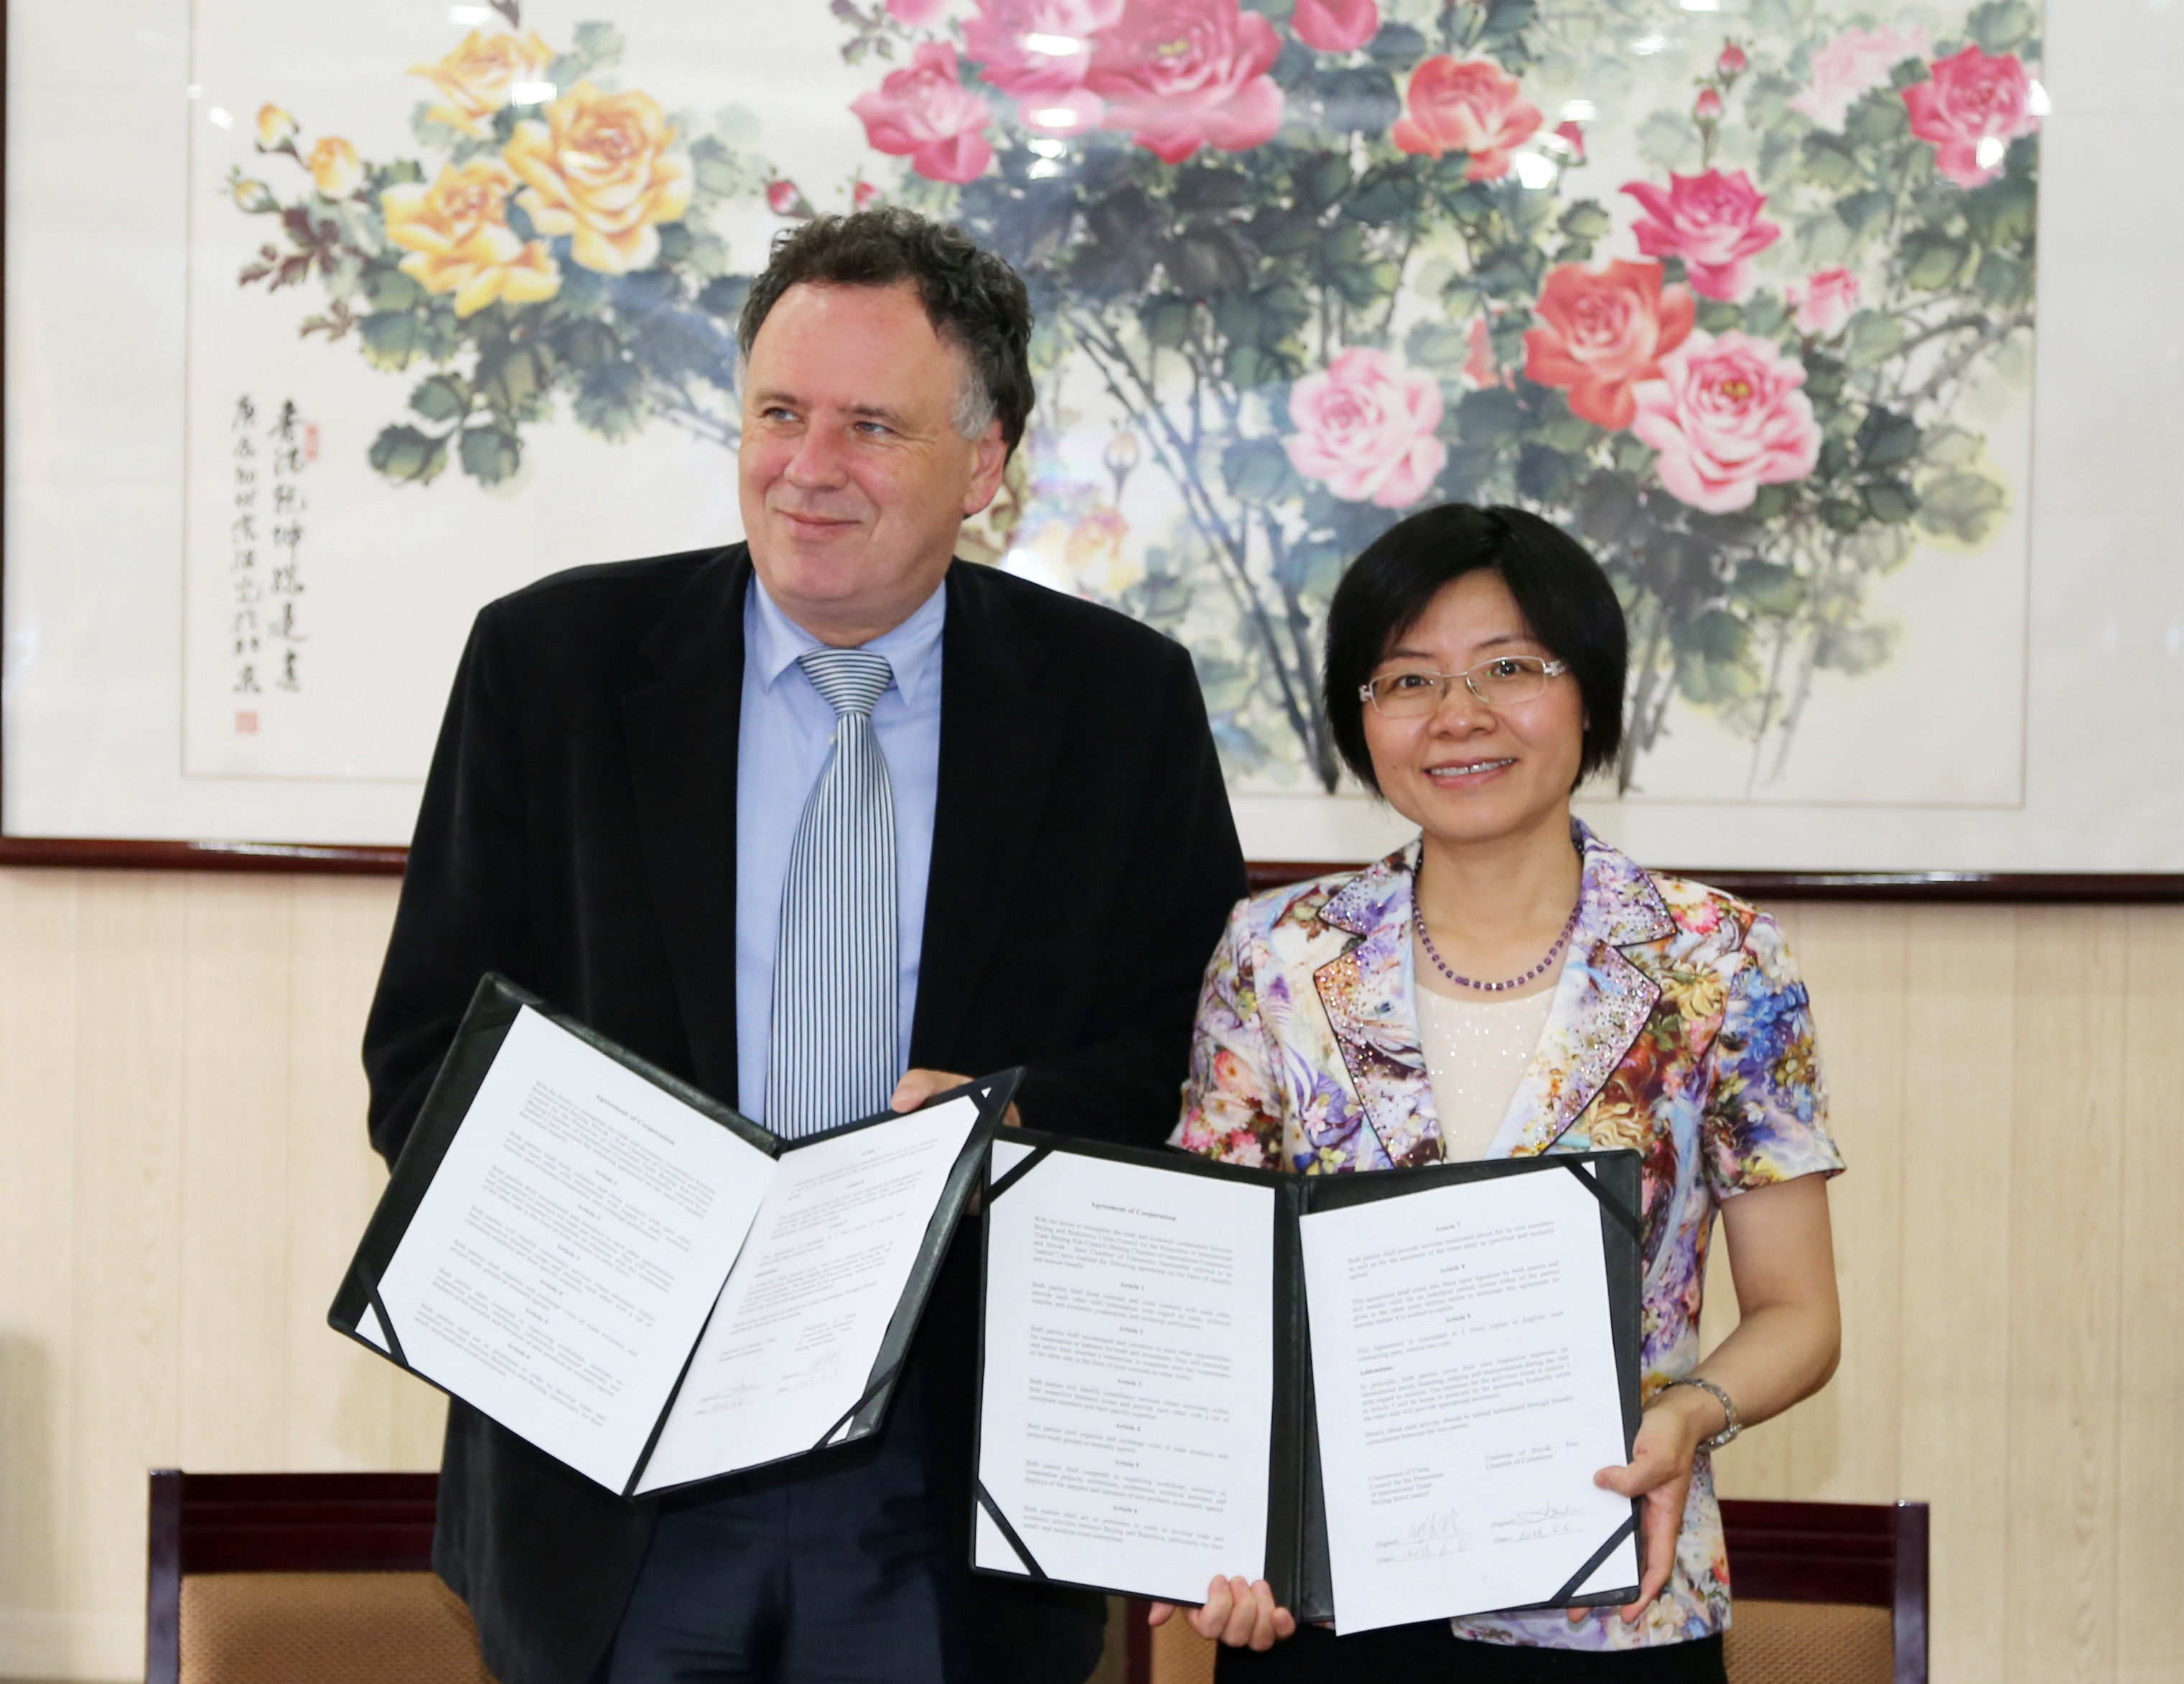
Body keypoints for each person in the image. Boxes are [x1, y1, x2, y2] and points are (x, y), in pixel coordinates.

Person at [363, 209, 1246, 1684]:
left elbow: (1188, 1060)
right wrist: (614, 1226)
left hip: (950, 1477)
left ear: (985, 462)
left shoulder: (1118, 703)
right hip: (614, 1473)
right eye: (779, 412)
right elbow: (423, 1058)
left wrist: (1003, 1122)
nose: (808, 465)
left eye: (871, 426)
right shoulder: (551, 664)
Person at [1158, 503, 1844, 1680]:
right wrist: (1211, 1515)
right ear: (1359, 717)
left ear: (1590, 695)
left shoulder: (1716, 958)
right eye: (1406, 679)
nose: (1458, 714)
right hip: (1327, 1602)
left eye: (1510, 668)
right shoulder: (1276, 953)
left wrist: (1689, 1412)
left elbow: (1798, 1313)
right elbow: (1203, 1286)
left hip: (1612, 1593)